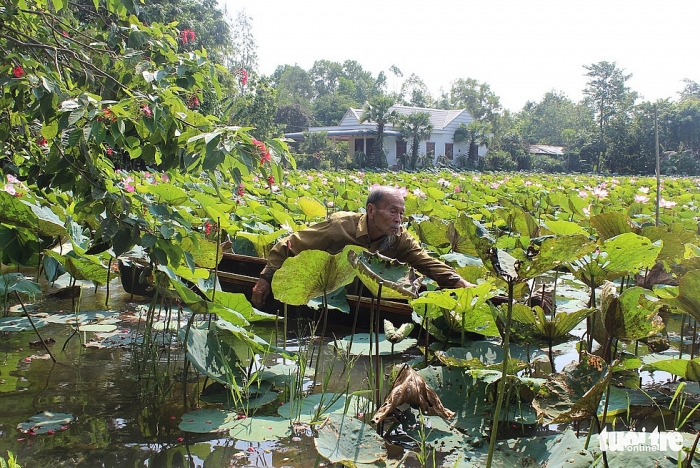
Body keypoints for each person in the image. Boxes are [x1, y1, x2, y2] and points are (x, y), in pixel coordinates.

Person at [251, 185, 473, 308]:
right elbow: (290, 244)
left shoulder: (401, 238)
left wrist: (458, 282)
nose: (399, 219)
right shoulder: (340, 227)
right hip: (328, 298)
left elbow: (427, 263)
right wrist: (265, 278)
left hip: (374, 298)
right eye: (393, 211)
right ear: (371, 210)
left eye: (402, 213)